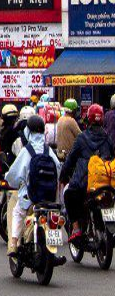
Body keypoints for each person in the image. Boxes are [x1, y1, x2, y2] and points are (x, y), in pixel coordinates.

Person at [5, 114, 61, 258]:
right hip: (49, 198)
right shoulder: (49, 150)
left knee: (17, 212)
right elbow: (58, 170)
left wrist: (9, 180)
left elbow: (14, 175)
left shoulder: (27, 151)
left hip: (30, 197)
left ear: (28, 131)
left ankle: (13, 243)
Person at [61, 103, 114, 243]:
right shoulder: (107, 138)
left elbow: (70, 160)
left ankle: (76, 227)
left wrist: (63, 176)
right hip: (107, 183)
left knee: (68, 194)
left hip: (84, 183)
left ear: (88, 119)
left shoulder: (82, 138)